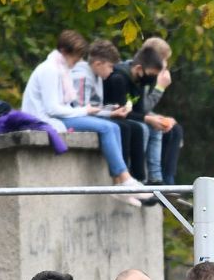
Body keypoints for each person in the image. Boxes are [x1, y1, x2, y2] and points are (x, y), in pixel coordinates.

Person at [20, 30, 148, 204]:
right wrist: (84, 111)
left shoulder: (59, 68)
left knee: (114, 126)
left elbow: (62, 106)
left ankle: (119, 183)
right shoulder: (50, 70)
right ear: (64, 52)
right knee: (106, 127)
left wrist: (92, 111)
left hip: (55, 115)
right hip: (44, 119)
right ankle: (125, 179)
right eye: (76, 57)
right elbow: (52, 109)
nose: (77, 61)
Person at [71, 40, 147, 185]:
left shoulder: (98, 76)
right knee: (122, 127)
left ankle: (138, 179)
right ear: (98, 64)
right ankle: (121, 180)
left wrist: (111, 109)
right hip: (76, 117)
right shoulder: (82, 77)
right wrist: (109, 114)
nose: (112, 71)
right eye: (110, 66)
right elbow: (81, 110)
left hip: (89, 115)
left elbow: (95, 106)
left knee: (136, 128)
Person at [137, 36, 183, 186]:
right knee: (159, 128)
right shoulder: (140, 72)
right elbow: (143, 108)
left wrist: (159, 117)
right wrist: (160, 88)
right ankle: (157, 179)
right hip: (131, 118)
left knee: (175, 129)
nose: (166, 65)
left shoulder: (149, 74)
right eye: (164, 60)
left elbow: (143, 107)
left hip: (138, 114)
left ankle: (168, 180)